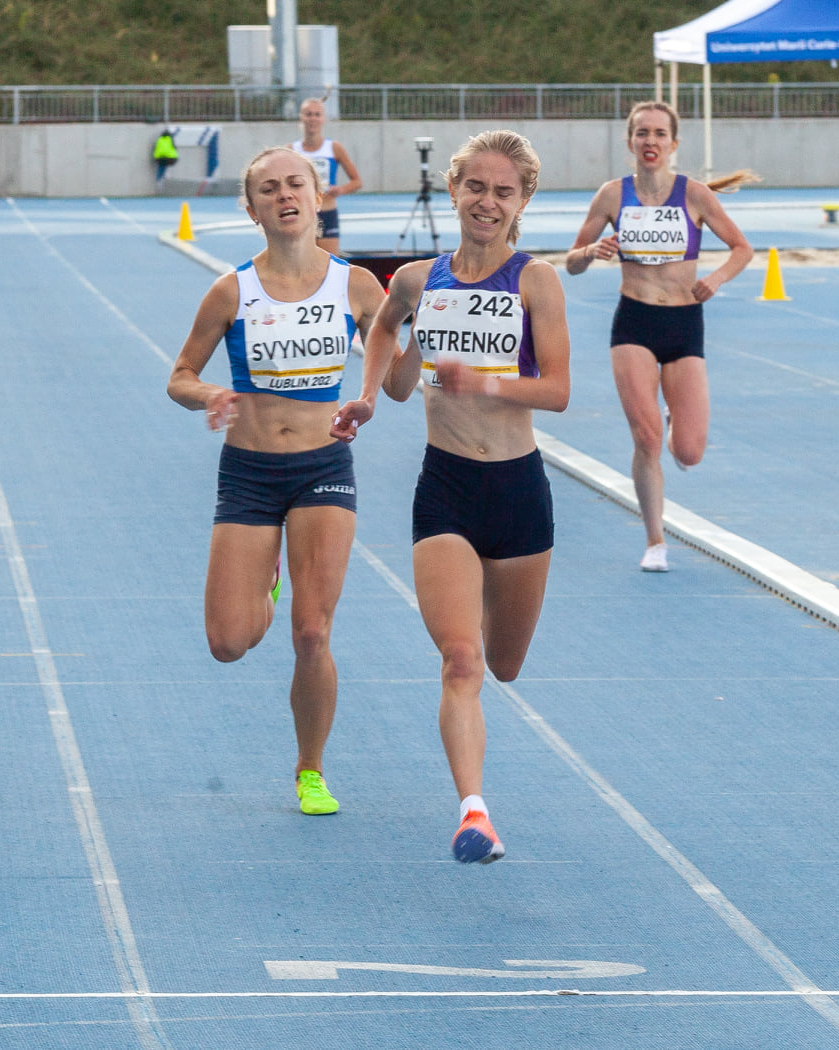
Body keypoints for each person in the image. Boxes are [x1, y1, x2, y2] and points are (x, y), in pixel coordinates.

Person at [331, 130, 571, 864]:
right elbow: (386, 343)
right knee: (460, 661)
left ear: (522, 201)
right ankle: (474, 814)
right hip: (445, 490)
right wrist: (372, 393)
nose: (486, 203)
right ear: (453, 191)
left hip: (518, 490)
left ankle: (475, 798)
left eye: (503, 192)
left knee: (503, 664)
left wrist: (483, 381)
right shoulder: (416, 279)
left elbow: (557, 391)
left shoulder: (534, 282)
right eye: (476, 188)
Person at [167, 146, 387, 815]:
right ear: (251, 207)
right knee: (228, 642)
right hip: (250, 471)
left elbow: (395, 365)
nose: (285, 195)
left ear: (319, 196)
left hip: (323, 468)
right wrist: (207, 395)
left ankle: (310, 770)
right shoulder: (231, 290)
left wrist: (377, 386)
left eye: (297, 184)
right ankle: (264, 577)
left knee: (312, 632)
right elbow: (177, 375)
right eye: (270, 188)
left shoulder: (354, 285)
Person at [566, 100, 755, 573]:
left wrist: (716, 279)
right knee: (646, 438)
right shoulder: (612, 196)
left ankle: (675, 419)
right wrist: (593, 249)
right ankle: (655, 540)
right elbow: (571, 261)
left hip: (685, 323)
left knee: (688, 451)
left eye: (659, 134)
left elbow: (742, 248)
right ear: (630, 141)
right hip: (634, 322)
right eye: (642, 133)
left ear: (673, 144)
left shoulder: (693, 195)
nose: (650, 141)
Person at [291, 97, 362, 255]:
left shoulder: (333, 148)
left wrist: (340, 190)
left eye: (317, 114)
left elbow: (357, 181)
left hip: (327, 212)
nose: (313, 119)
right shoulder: (291, 150)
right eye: (309, 114)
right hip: (301, 214)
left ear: (323, 119)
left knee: (329, 266)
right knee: (299, 266)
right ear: (301, 117)